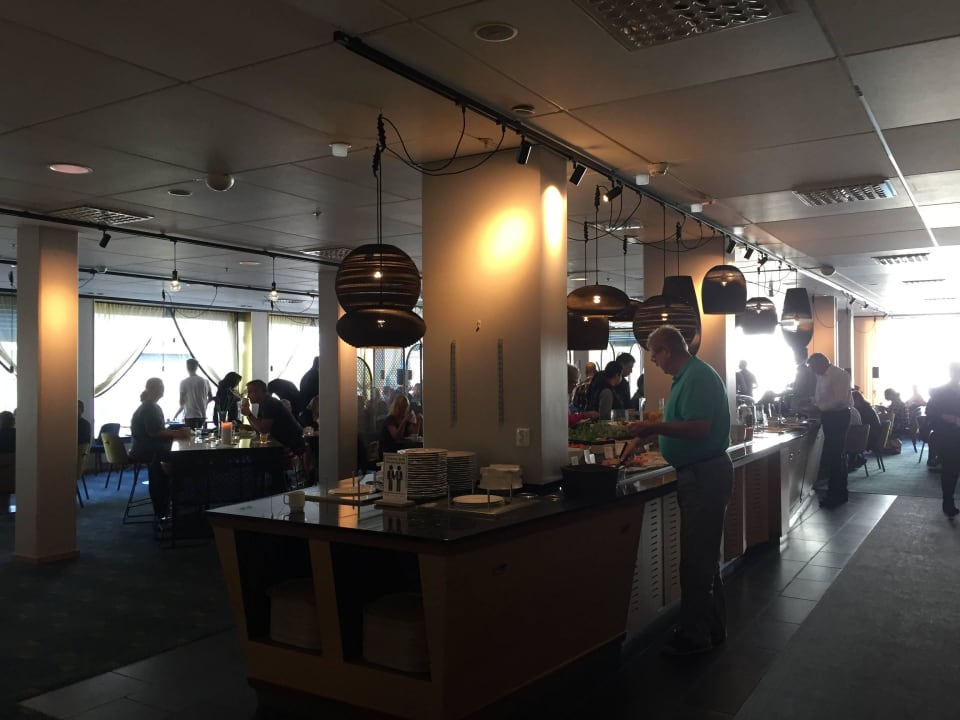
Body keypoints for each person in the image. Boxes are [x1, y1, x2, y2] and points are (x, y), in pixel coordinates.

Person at [620, 325, 732, 656]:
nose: (653, 361)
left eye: (654, 354)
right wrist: (647, 435)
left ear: (667, 350)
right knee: (704, 558)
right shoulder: (687, 377)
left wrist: (653, 426)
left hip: (704, 475)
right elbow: (685, 424)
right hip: (700, 472)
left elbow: (699, 428)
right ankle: (711, 627)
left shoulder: (696, 376)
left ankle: (694, 637)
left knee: (696, 560)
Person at [131, 378, 192, 516]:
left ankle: (172, 501)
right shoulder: (149, 408)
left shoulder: (149, 406)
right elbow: (154, 433)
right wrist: (179, 433)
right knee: (184, 459)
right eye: (160, 386)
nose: (163, 389)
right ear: (151, 389)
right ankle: (175, 501)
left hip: (144, 448)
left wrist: (175, 433)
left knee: (179, 456)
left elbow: (157, 431)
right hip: (150, 451)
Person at [808, 353, 852, 508]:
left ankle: (837, 494)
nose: (813, 370)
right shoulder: (821, 376)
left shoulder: (840, 375)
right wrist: (812, 403)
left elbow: (840, 400)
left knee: (836, 455)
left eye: (813, 366)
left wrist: (819, 408)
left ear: (822, 362)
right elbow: (821, 397)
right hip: (828, 415)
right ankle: (837, 492)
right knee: (834, 456)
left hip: (838, 416)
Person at [924, 363, 960, 517]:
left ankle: (948, 502)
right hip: (948, 436)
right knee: (950, 470)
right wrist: (950, 418)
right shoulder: (940, 392)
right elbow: (930, 413)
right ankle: (948, 502)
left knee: (951, 471)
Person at [241, 380, 306, 453]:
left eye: (250, 392)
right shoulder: (263, 403)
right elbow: (258, 428)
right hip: (282, 442)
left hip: (291, 445)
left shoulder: (270, 403)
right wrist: (247, 414)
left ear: (259, 391)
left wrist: (249, 414)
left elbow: (264, 430)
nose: (248, 396)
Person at [176, 358, 212, 429]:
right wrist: (204, 404)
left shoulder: (184, 382)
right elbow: (210, 398)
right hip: (202, 415)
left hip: (190, 415)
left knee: (192, 435)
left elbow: (181, 402)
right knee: (199, 434)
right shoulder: (205, 381)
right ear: (197, 367)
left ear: (187, 367)